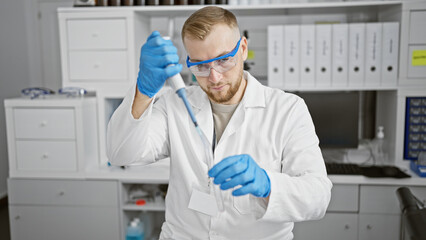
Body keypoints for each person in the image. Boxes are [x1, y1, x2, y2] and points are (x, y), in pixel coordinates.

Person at [107, 6, 332, 240]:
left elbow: (318, 197)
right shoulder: (174, 105)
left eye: (224, 60)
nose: (214, 77)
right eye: (201, 66)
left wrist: (269, 184)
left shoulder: (287, 110)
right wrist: (143, 90)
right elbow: (121, 154)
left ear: (243, 49)